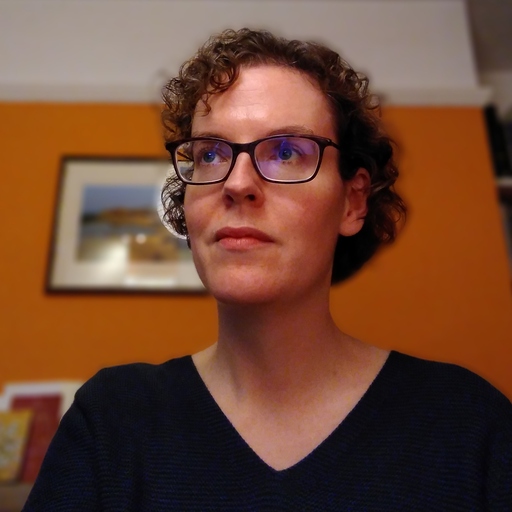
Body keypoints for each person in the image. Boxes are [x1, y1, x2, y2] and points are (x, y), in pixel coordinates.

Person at [23, 28, 511, 511]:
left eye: (285, 152)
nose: (237, 183)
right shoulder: (110, 422)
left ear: (352, 201)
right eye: (211, 153)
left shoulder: (470, 427)